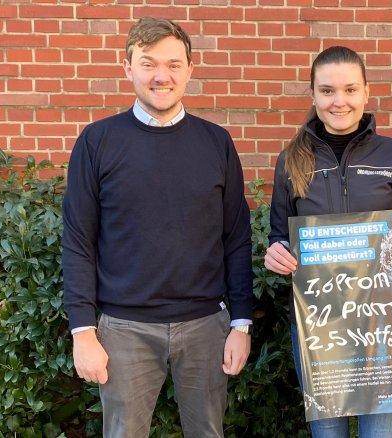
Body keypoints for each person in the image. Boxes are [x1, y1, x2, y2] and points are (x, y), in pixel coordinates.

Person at [61, 17, 253, 438]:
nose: (161, 76)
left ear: (189, 69)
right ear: (127, 68)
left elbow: (237, 238)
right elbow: (78, 241)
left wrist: (241, 323)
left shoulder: (216, 142)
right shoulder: (97, 142)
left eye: (173, 64)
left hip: (205, 326)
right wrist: (83, 331)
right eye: (148, 64)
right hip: (124, 329)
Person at [263, 46, 392, 438]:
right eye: (328, 90)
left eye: (350, 89)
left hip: (385, 326)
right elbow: (279, 236)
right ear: (313, 94)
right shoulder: (290, 160)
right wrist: (277, 255)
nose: (339, 101)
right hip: (320, 327)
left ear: (366, 92)